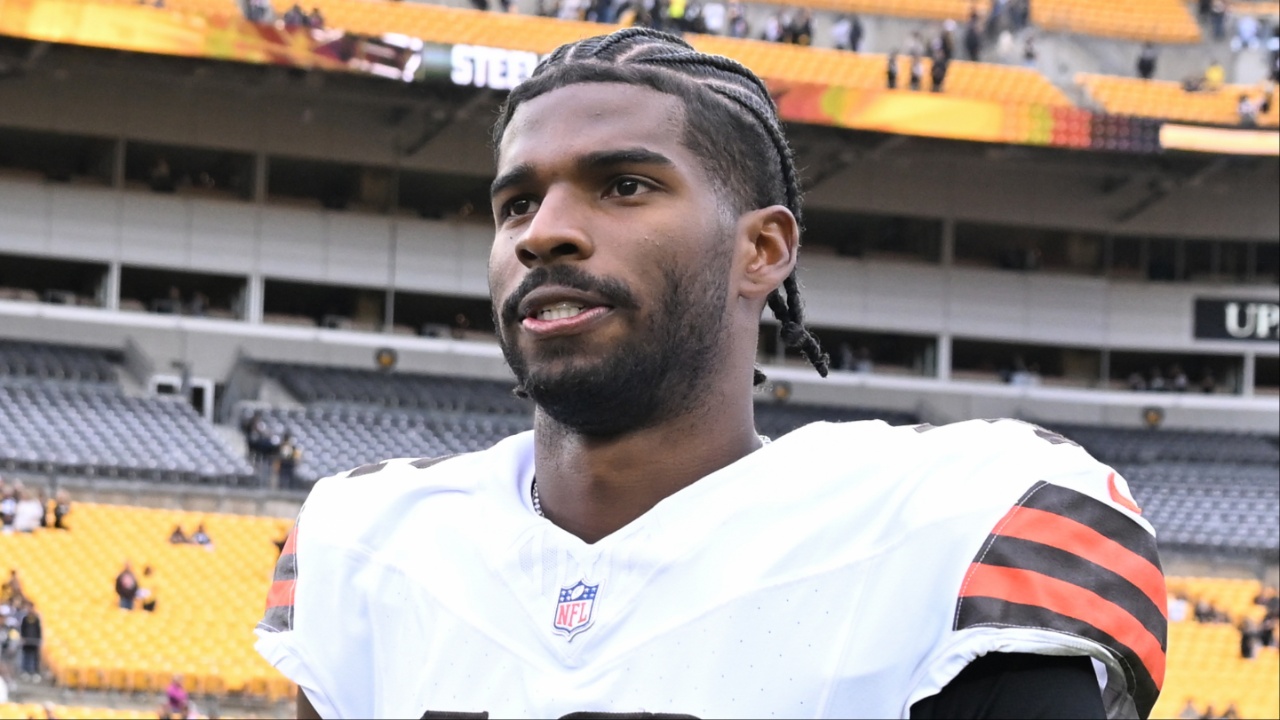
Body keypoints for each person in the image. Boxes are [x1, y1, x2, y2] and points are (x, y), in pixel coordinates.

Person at [255, 28, 1167, 720]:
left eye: (623, 186)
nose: (542, 233)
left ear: (762, 248)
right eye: (517, 202)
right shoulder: (368, 545)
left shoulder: (958, 529)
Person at [18, 603, 40, 681]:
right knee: (26, 656)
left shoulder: (36, 619)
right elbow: (22, 629)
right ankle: (25, 671)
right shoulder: (25, 619)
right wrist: (23, 638)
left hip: (34, 641)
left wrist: (38, 639)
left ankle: (34, 672)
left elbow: (38, 630)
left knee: (35, 657)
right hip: (26, 641)